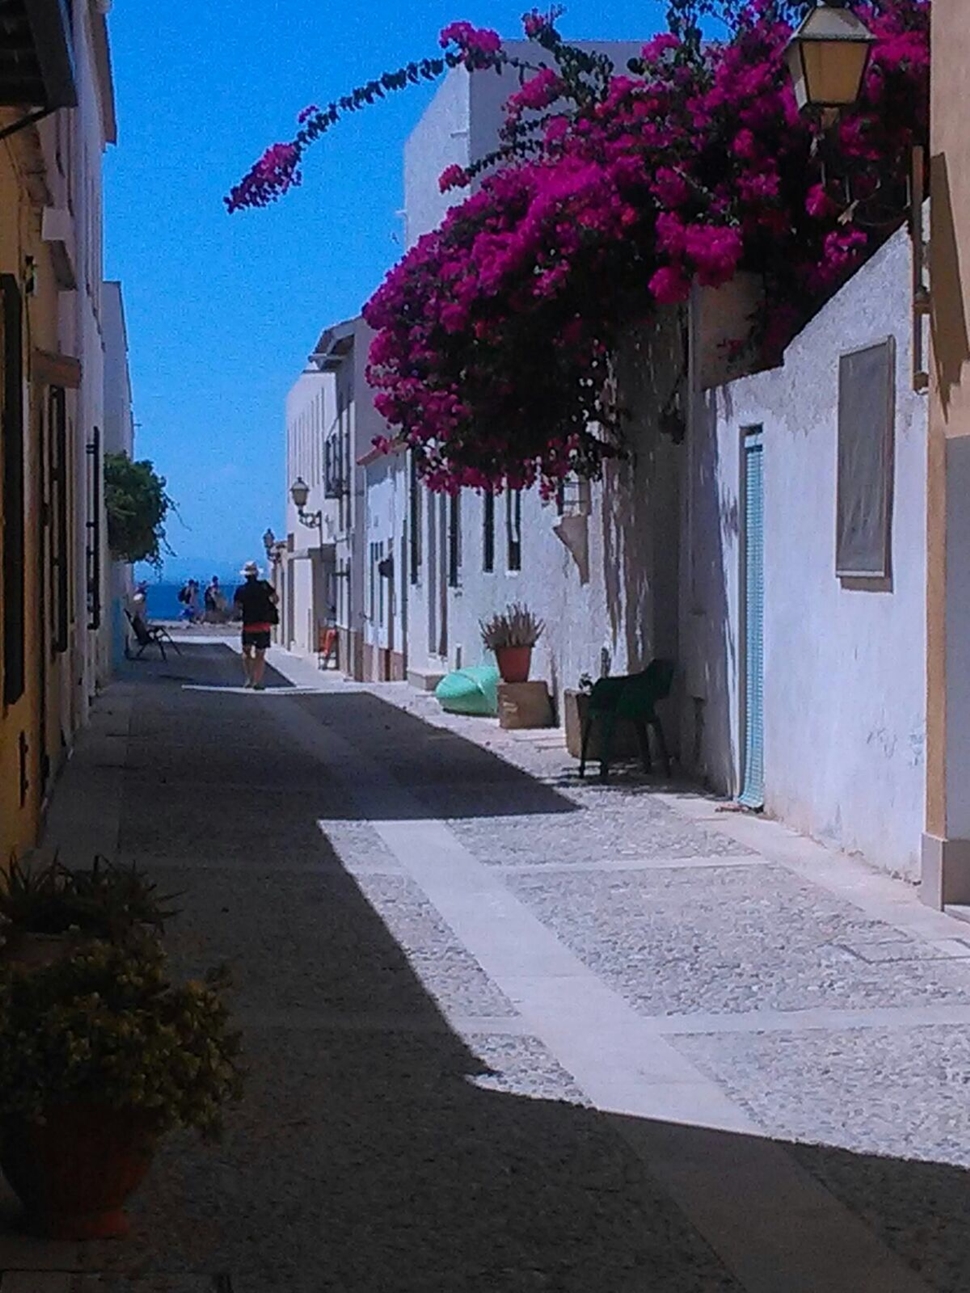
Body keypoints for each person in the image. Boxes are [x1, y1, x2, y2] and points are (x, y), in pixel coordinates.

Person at [233, 561, 278, 690]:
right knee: (260, 654)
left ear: (245, 576)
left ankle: (249, 678)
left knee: (246, 652)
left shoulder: (241, 590)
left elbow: (237, 606)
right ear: (257, 574)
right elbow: (275, 598)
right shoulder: (264, 586)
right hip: (263, 625)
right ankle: (258, 681)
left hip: (249, 625)